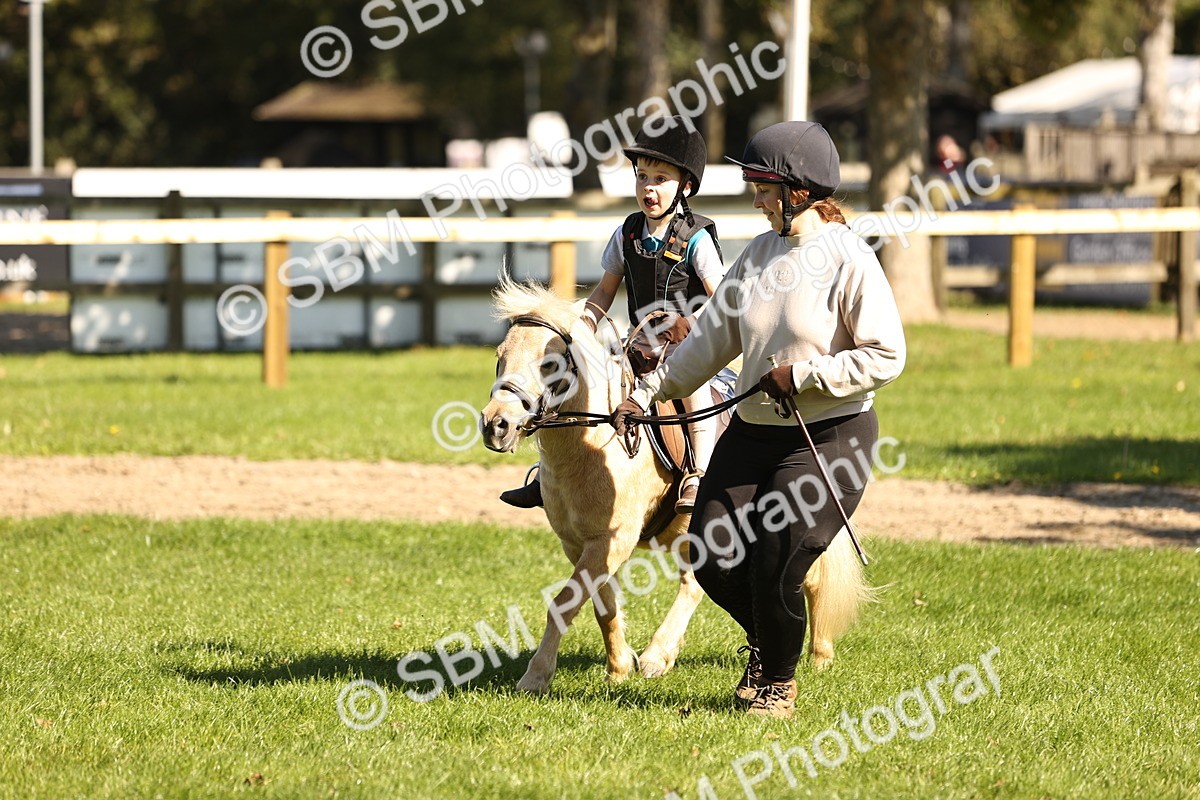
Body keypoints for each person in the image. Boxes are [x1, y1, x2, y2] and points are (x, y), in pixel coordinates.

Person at [611, 121, 906, 718]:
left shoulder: (850, 259)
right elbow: (711, 340)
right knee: (712, 556)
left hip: (829, 437)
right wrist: (648, 395)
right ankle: (772, 643)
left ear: (798, 190)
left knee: (776, 556)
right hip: (752, 432)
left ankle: (776, 683)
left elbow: (887, 355)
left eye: (763, 188)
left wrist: (802, 376)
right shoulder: (758, 255)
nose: (755, 199)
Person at [501, 116, 727, 514]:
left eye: (660, 179)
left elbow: (721, 299)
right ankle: (545, 471)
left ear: (685, 186)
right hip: (637, 343)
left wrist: (691, 325)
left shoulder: (698, 239)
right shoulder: (626, 233)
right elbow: (605, 291)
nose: (648, 189)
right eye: (642, 177)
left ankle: (700, 471)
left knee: (691, 390)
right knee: (574, 380)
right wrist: (579, 330)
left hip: (689, 346)